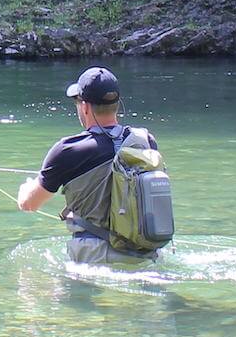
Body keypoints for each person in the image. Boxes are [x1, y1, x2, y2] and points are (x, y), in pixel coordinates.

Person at [17, 66, 160, 266]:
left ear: (84, 107)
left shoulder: (67, 150)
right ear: (117, 104)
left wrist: (25, 190)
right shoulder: (146, 142)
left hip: (93, 257)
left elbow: (29, 204)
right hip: (146, 253)